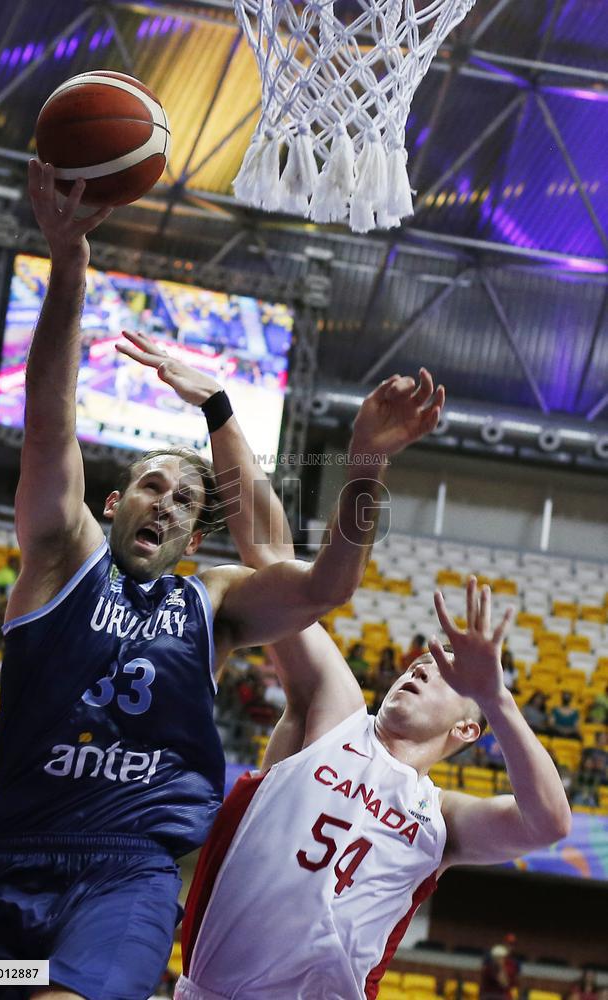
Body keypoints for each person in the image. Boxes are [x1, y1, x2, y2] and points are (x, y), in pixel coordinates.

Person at [0, 161, 442, 1000]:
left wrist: (364, 464)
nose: (167, 503)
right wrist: (69, 262)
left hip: (128, 877)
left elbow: (325, 586)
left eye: (186, 501)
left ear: (195, 533)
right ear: (113, 503)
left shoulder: (211, 602)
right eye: (152, 486)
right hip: (4, 873)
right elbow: (48, 419)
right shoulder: (59, 556)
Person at [168, 413, 571, 1000]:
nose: (418, 669)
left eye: (442, 674)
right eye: (417, 663)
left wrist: (497, 697)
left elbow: (549, 823)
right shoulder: (335, 714)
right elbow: (269, 556)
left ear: (468, 727)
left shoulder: (443, 821)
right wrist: (221, 411)